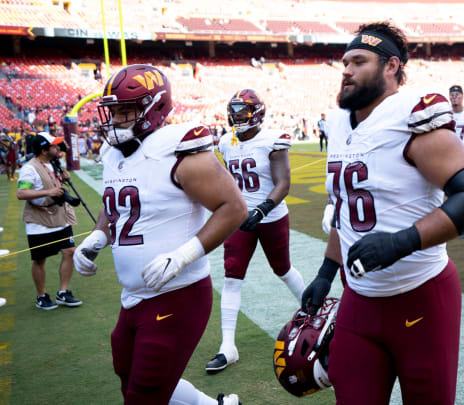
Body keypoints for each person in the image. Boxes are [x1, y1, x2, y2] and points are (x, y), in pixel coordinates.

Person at [300, 22, 464, 404]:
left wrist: (400, 242)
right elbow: (347, 205)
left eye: (359, 61)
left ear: (391, 67)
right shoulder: (339, 123)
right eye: (345, 62)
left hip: (421, 296)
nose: (347, 70)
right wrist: (325, 273)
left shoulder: (411, 115)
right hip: (359, 298)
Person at [71, 64, 242, 405]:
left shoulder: (178, 151)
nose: (115, 119)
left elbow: (233, 208)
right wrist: (99, 236)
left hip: (178, 295)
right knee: (130, 378)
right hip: (132, 296)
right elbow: (117, 202)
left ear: (154, 108)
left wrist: (183, 255)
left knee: (143, 395)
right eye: (113, 110)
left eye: (126, 110)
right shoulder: (112, 155)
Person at [206, 89, 305, 374]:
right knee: (232, 277)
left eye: (243, 111)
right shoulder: (226, 142)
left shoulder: (271, 140)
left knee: (283, 270)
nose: (238, 116)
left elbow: (283, 183)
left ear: (257, 112)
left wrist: (261, 209)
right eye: (234, 110)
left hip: (271, 216)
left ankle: (312, 315)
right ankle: (228, 346)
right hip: (240, 219)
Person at [16, 132, 82, 310]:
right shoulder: (29, 168)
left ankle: (63, 292)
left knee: (69, 251)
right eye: (54, 146)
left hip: (60, 215)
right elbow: (21, 194)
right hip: (39, 220)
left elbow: (55, 184)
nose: (58, 148)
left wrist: (64, 179)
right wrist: (48, 193)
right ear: (44, 150)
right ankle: (42, 296)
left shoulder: (54, 164)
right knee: (40, 259)